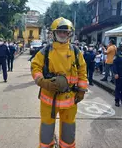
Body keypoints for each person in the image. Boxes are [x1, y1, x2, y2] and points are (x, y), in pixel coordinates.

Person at [31, 17, 87, 148]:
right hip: (49, 98)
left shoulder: (76, 52)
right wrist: (42, 82)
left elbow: (82, 72)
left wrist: (82, 90)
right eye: (59, 32)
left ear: (69, 34)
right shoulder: (46, 51)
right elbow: (35, 66)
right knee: (47, 128)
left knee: (68, 129)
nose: (62, 34)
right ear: (54, 33)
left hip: (70, 98)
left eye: (65, 32)